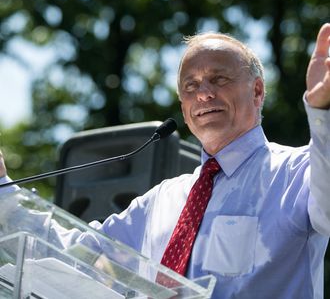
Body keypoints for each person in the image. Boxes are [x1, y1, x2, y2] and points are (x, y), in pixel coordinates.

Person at [1, 23, 330, 298]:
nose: (203, 94)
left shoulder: (296, 173)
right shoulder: (161, 200)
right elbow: (77, 255)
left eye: (219, 79)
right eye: (191, 85)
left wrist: (323, 112)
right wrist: (4, 193)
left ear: (257, 92)